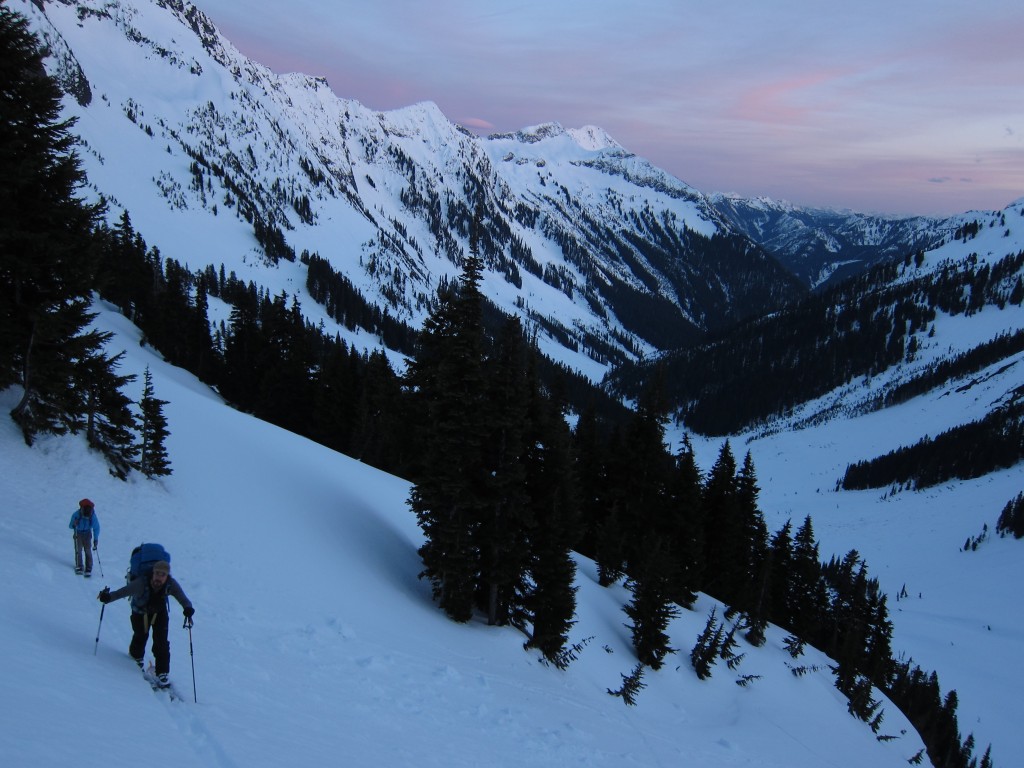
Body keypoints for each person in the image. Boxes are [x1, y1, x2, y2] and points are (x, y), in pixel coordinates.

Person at [98, 560, 194, 687]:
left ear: (167, 576)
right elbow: (122, 592)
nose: (159, 577)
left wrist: (187, 608)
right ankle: (136, 657)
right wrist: (108, 597)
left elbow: (182, 597)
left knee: (161, 642)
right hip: (140, 612)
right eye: (157, 573)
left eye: (163, 575)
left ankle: (163, 672)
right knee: (140, 636)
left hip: (159, 612)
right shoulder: (141, 583)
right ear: (153, 573)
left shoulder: (170, 584)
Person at [69, 498, 100, 576]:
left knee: (87, 550)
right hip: (78, 533)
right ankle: (79, 566)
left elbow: (96, 528)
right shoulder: (76, 515)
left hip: (87, 533)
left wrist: (96, 539)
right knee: (78, 550)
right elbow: (70, 526)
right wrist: (74, 524)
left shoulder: (92, 516)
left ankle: (88, 568)